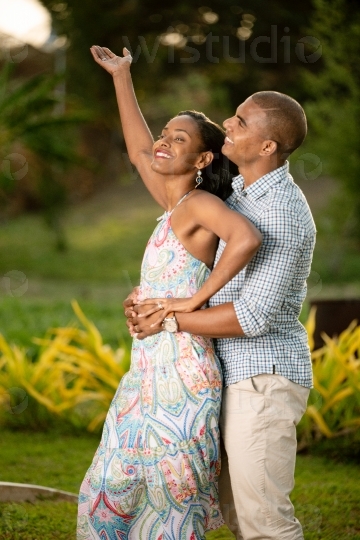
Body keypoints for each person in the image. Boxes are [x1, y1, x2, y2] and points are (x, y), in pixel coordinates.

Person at [77, 46, 262, 540]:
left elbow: (247, 238)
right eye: (164, 133)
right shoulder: (172, 203)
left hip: (184, 374)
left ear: (203, 158)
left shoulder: (200, 202)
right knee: (111, 486)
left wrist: (191, 300)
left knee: (171, 502)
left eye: (177, 139)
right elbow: (138, 149)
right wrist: (122, 75)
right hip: (146, 371)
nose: (162, 142)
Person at [126, 90, 316, 540]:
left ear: (268, 147)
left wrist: (169, 319)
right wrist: (152, 298)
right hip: (220, 374)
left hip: (262, 379)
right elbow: (146, 163)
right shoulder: (236, 193)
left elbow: (252, 317)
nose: (228, 124)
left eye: (241, 122)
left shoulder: (283, 213)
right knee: (234, 515)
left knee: (264, 522)